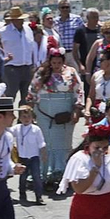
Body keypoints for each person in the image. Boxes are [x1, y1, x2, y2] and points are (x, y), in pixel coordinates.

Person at [30, 46, 84, 191]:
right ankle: (44, 174)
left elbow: (79, 90)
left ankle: (62, 172)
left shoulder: (71, 72)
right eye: (53, 62)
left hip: (64, 114)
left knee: (63, 143)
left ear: (63, 61)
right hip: (44, 112)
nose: (56, 65)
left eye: (59, 62)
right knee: (46, 142)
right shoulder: (41, 73)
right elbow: (32, 91)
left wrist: (77, 110)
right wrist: (31, 110)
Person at [0, 8, 41, 103]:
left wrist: (33, 64)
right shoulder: (3, 32)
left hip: (27, 67)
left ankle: (23, 117)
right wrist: (4, 58)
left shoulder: (28, 30)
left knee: (26, 96)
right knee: (10, 94)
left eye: (22, 19)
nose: (21, 21)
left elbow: (31, 48)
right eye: (18, 19)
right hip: (11, 67)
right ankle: (8, 116)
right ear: (12, 20)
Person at [13, 106, 47, 204]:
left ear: (32, 118)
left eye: (28, 117)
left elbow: (41, 143)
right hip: (22, 157)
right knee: (23, 177)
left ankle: (39, 196)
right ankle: (22, 195)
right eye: (23, 117)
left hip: (34, 157)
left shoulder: (36, 129)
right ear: (19, 118)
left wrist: (44, 154)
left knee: (36, 176)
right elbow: (8, 132)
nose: (26, 119)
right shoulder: (17, 128)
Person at [54, 0, 81, 69]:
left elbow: (83, 34)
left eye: (67, 7)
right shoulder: (55, 22)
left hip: (74, 53)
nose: (65, 9)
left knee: (76, 74)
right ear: (59, 9)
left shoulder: (77, 19)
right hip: (61, 54)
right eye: (63, 7)